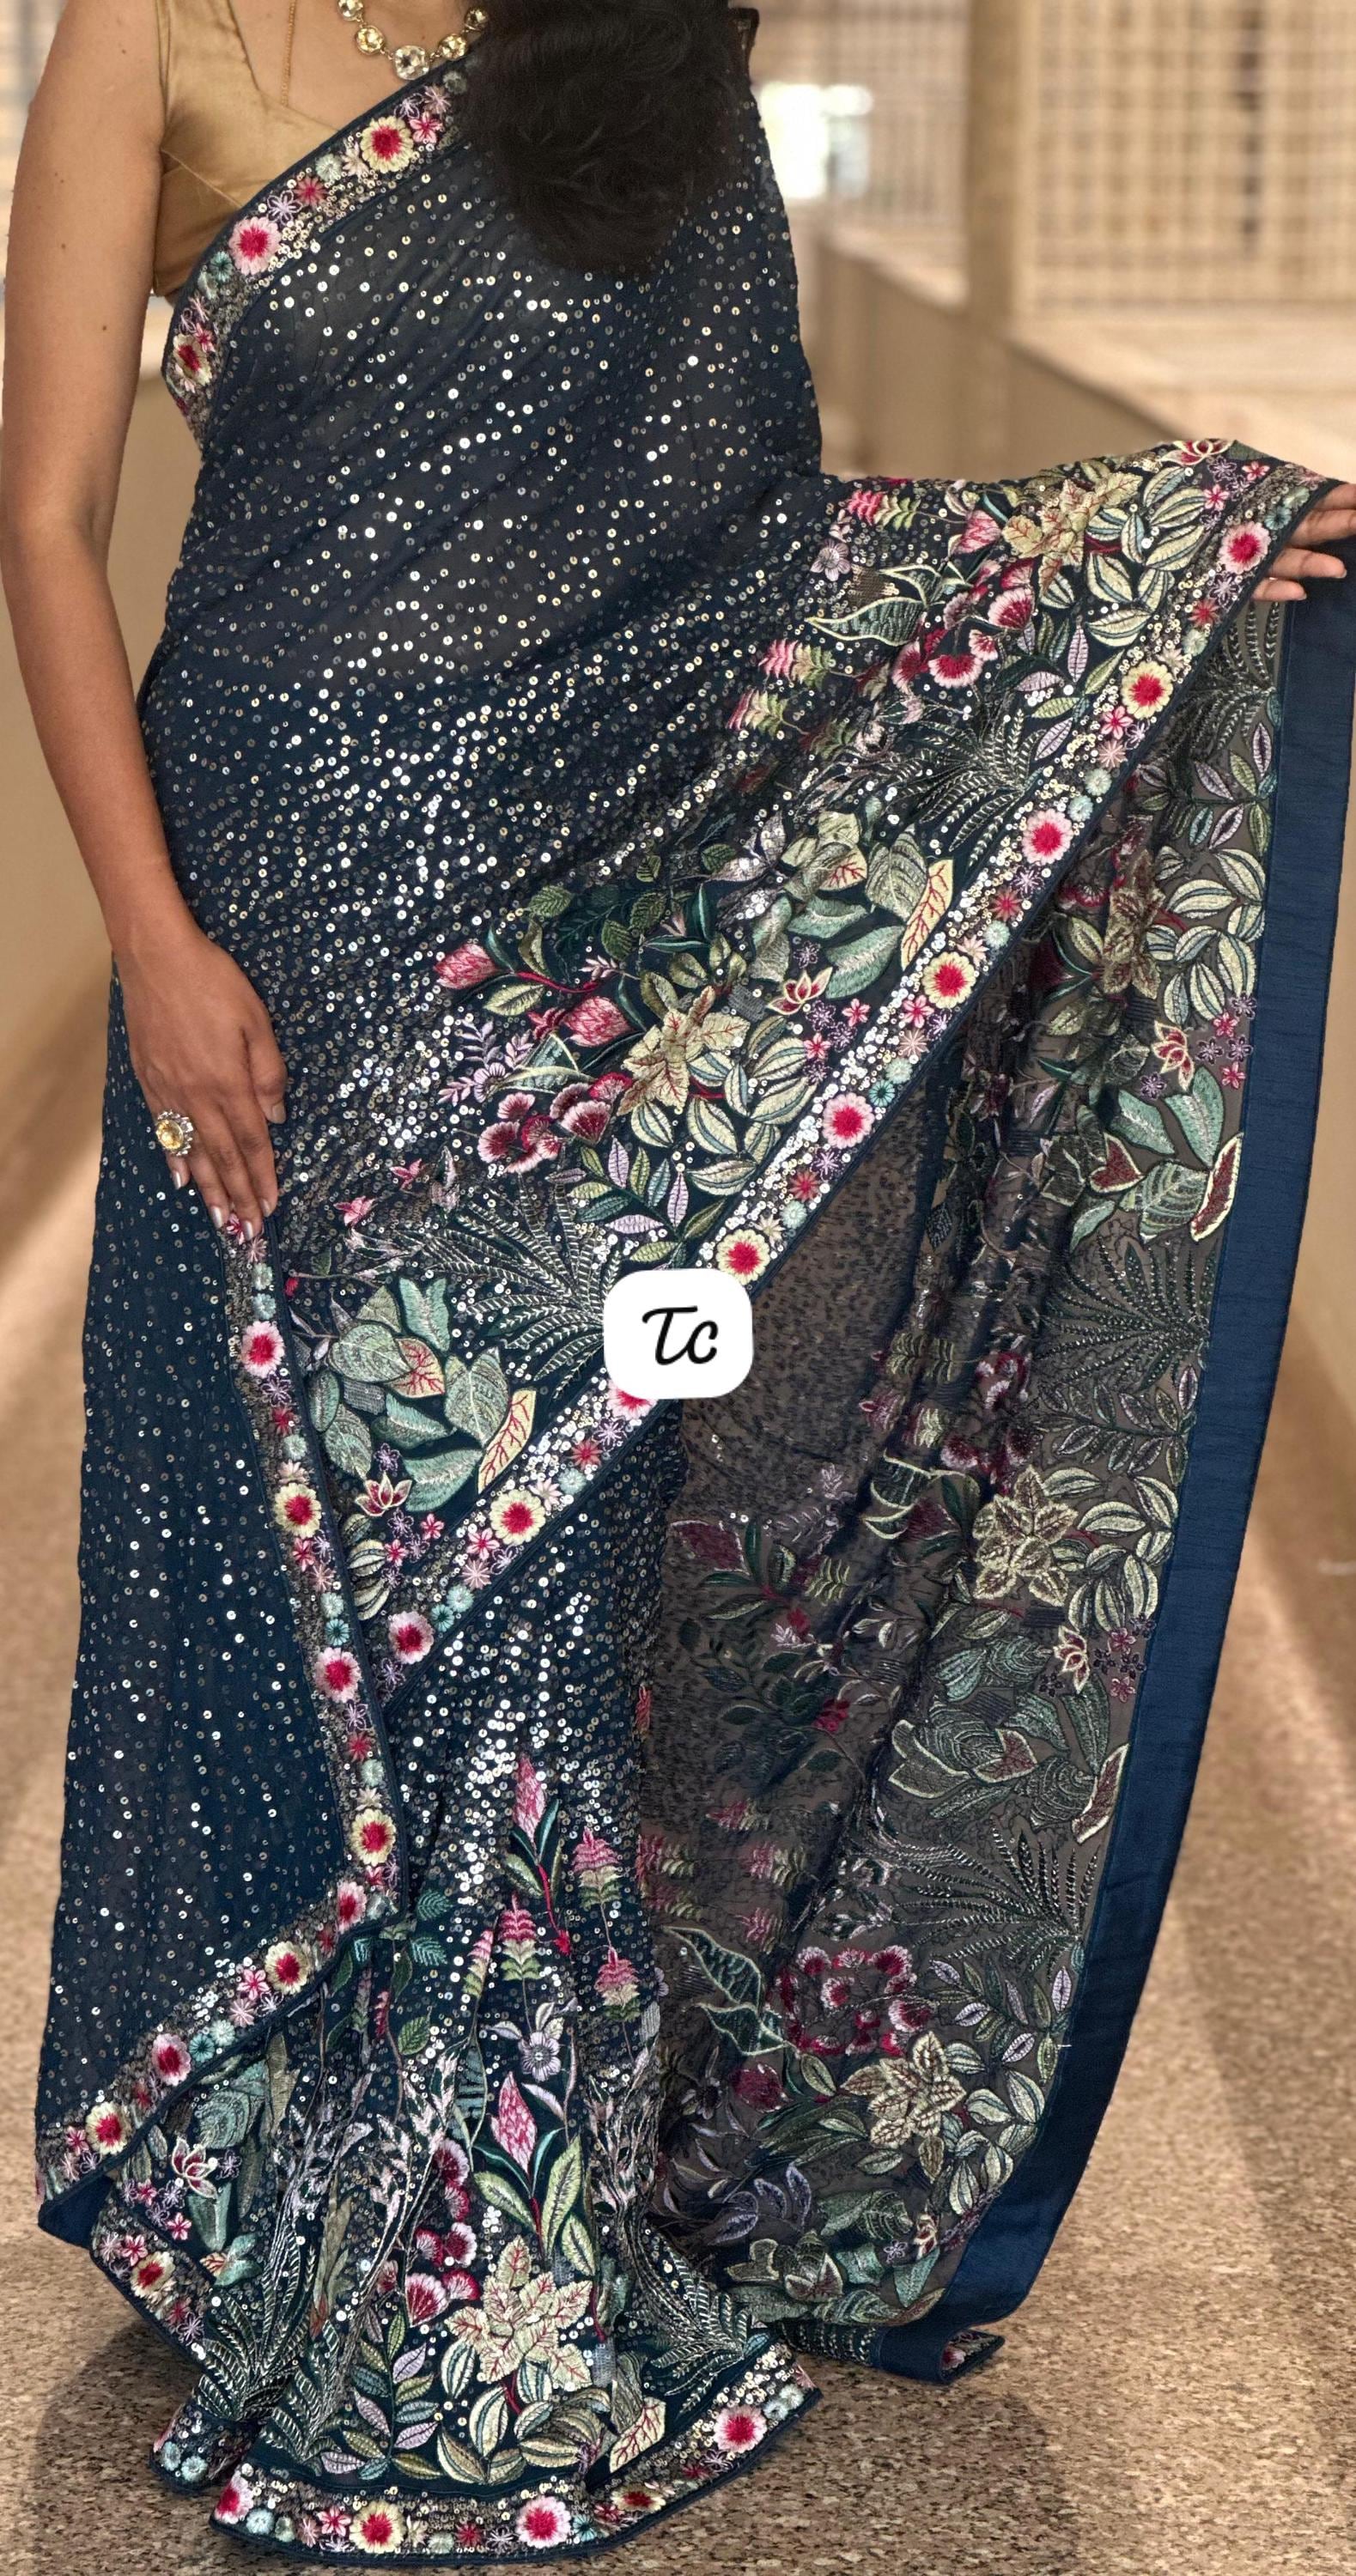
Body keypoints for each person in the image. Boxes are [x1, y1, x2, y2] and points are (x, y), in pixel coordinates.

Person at [4, 0, 1354, 2560]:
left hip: (608, 938)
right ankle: (275, 2190)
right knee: (304, 1566)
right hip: (283, 912)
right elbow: (50, 518)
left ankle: (483, 2276)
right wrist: (154, 940)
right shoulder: (150, 35)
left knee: (534, 1574)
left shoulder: (628, 47)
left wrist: (1141, 551)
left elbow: (758, 545)